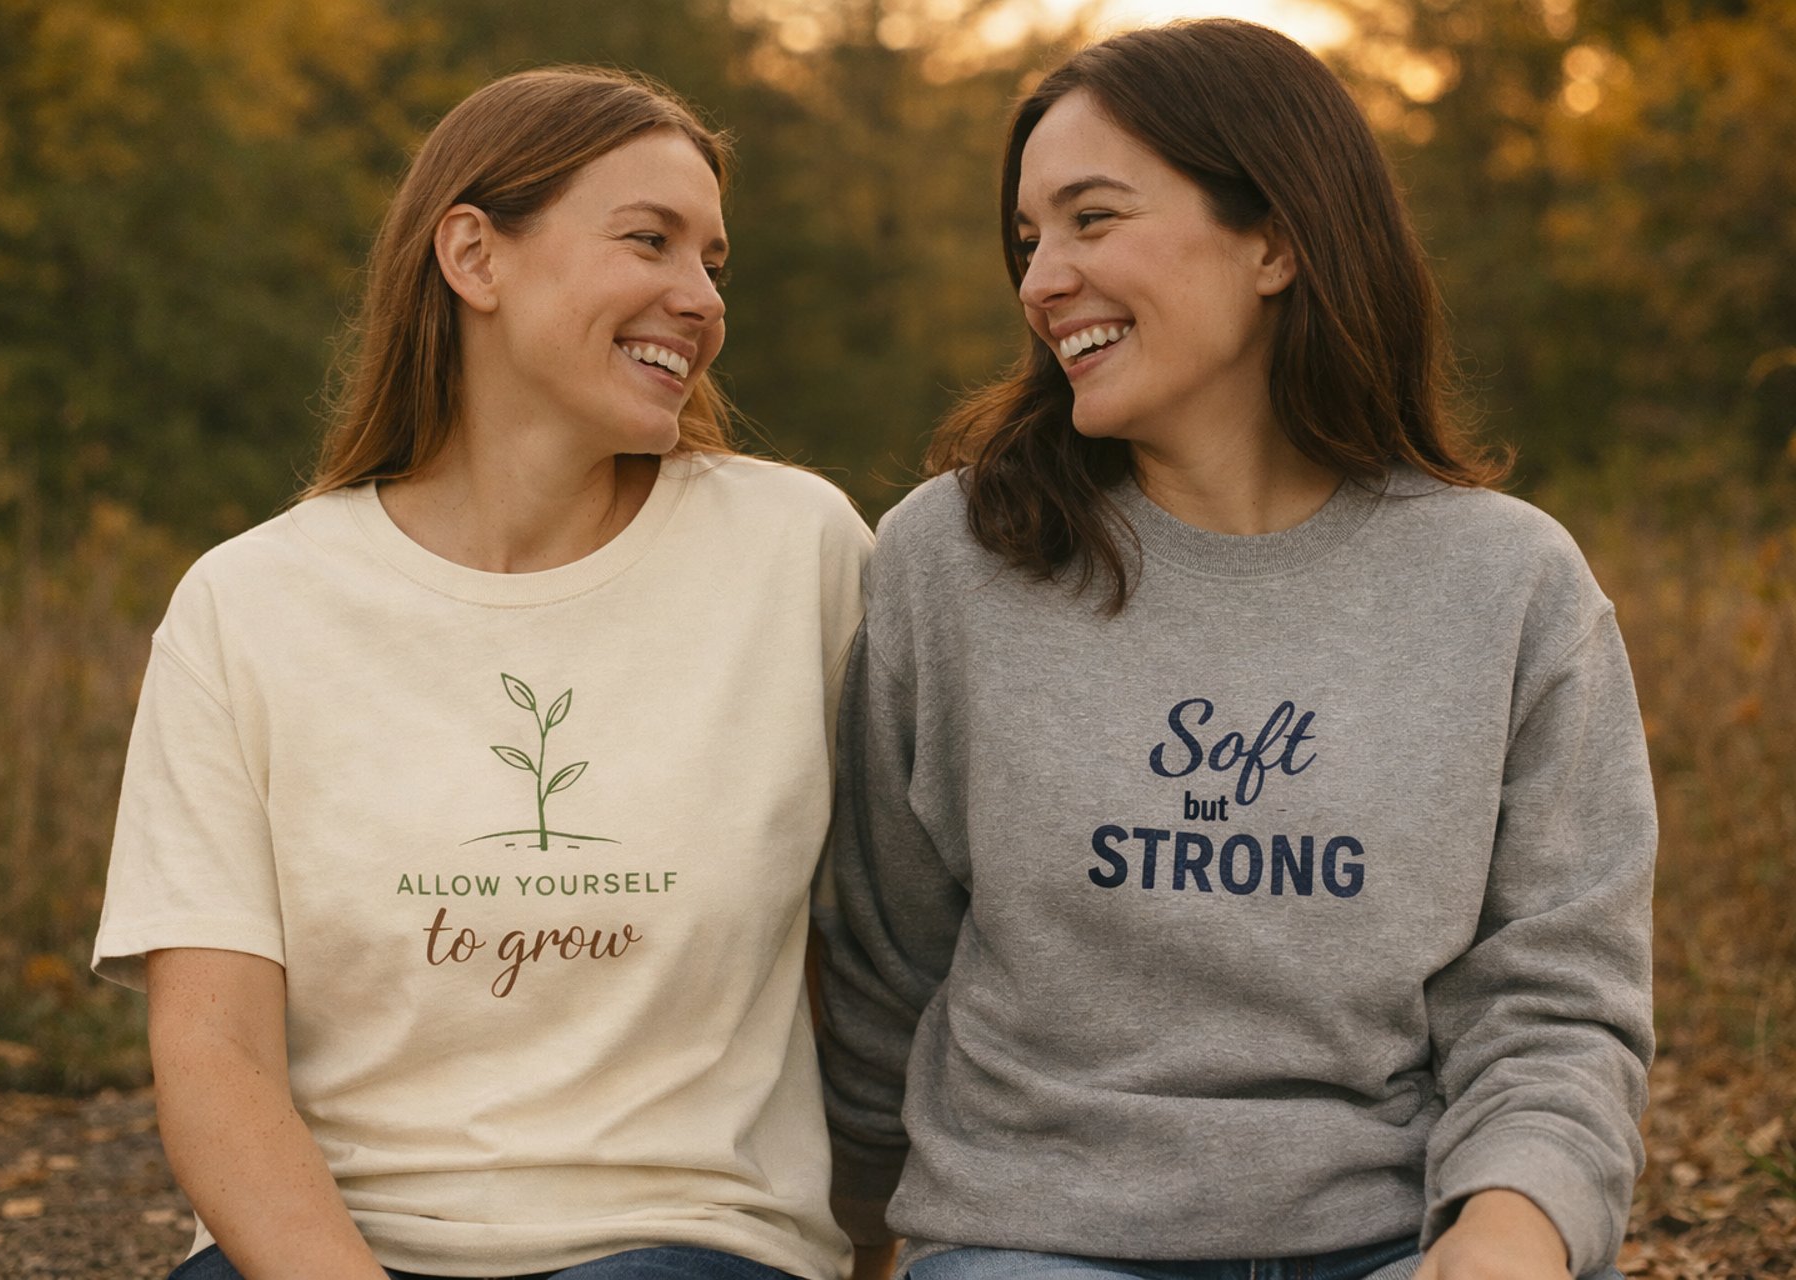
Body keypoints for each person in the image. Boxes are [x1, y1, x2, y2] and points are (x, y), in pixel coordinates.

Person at [815, 20, 1652, 1280]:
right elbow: (884, 955)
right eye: (1030, 238)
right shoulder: (956, 557)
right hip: (1033, 1239)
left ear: (1276, 239)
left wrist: (1508, 1228)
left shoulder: (1510, 585)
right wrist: (852, 1235)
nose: (1041, 279)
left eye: (1092, 219)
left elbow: (1556, 1005)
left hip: (1390, 1233)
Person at [93, 67, 870, 1280]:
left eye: (715, 261)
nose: (700, 298)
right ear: (474, 255)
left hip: (687, 1240)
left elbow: (881, 957)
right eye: (649, 240)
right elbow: (214, 1052)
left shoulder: (798, 554)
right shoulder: (250, 606)